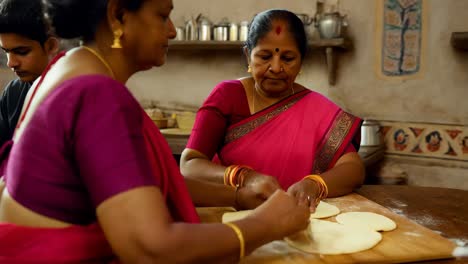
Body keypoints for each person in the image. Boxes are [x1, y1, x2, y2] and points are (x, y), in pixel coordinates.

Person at [0, 0, 310, 263]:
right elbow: (149, 248)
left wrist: (237, 195)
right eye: (162, 16)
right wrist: (267, 225)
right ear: (118, 15)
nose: (172, 30)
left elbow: (131, 185)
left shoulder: (67, 68)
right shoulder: (96, 93)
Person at [180, 9, 365, 211]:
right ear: (247, 56)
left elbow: (353, 168)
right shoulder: (227, 96)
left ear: (301, 60)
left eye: (287, 58)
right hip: (235, 219)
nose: (276, 67)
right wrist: (244, 177)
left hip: (296, 219)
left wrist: (315, 184)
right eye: (265, 56)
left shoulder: (316, 108)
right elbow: (190, 165)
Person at [0, 0, 59, 150]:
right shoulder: (12, 93)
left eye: (21, 52)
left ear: (51, 46)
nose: (11, 63)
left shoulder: (72, 95)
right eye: (6, 52)